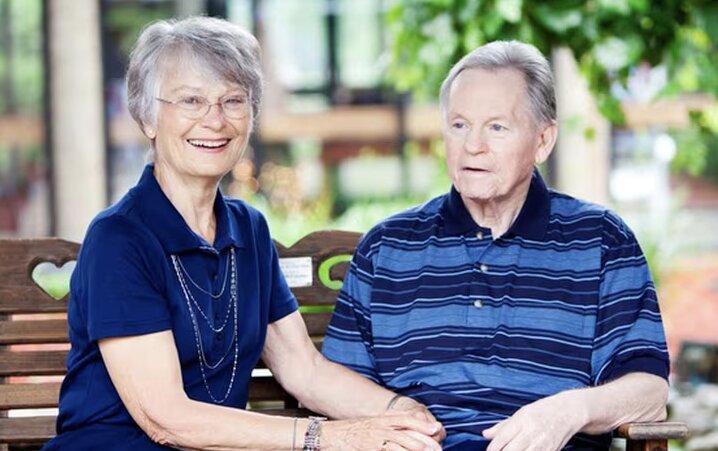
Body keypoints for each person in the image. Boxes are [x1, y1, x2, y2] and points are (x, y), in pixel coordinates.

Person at [44, 16, 445, 451]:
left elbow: (303, 369)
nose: (215, 120)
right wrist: (326, 437)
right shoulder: (119, 239)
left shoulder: (248, 229)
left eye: (233, 101)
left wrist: (399, 412)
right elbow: (167, 418)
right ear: (147, 117)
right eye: (191, 101)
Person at [322, 40, 670, 451]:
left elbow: (649, 390)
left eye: (497, 127)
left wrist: (568, 411)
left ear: (543, 140)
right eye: (459, 125)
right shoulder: (388, 248)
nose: (473, 146)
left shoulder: (601, 240)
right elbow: (339, 385)